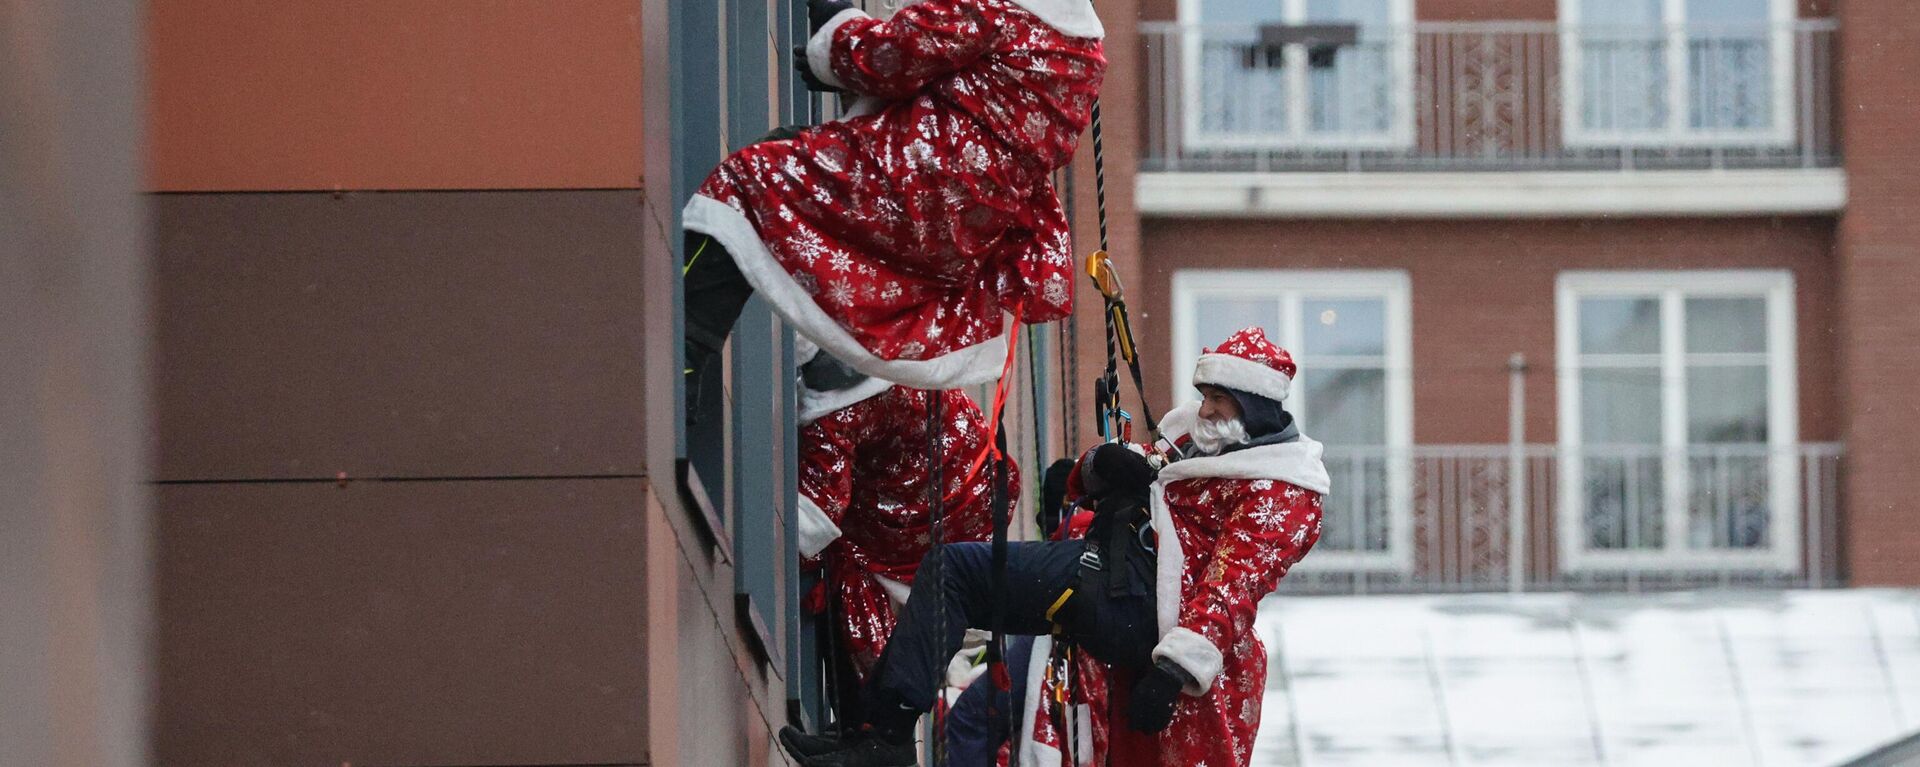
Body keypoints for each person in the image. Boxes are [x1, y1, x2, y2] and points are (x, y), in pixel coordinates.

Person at [780, 327, 1328, 767]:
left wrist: (1174, 671)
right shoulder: (1198, 442)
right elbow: (1128, 468)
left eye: (1219, 401)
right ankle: (879, 733)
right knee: (954, 576)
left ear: (1253, 412)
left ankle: (885, 742)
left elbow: (1233, 586)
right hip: (1115, 577)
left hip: (1139, 603)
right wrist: (1096, 468)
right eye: (1204, 397)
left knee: (957, 573)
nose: (1204, 411)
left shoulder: (1282, 490)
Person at [680, 0, 1106, 394]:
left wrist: (836, 23)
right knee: (788, 163)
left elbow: (894, 54)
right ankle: (706, 359)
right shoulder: (1083, 52)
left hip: (914, 185)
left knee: (746, 183)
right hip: (969, 228)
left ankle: (683, 358)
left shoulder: (994, 10)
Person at [795, 344, 1015, 715]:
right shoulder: (891, 352)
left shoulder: (834, 419)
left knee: (851, 571)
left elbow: (813, 522)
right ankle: (877, 715)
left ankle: (872, 716)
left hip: (931, 514)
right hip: (972, 485)